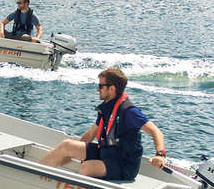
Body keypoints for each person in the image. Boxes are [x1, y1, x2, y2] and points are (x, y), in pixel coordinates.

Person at [38, 68, 167, 181]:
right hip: (106, 153)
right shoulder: (107, 108)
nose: (97, 89)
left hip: (123, 164)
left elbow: (156, 132)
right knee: (67, 145)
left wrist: (159, 155)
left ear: (111, 89)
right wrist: (66, 156)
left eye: (101, 86)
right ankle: (37, 174)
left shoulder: (129, 111)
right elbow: (90, 135)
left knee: (87, 168)